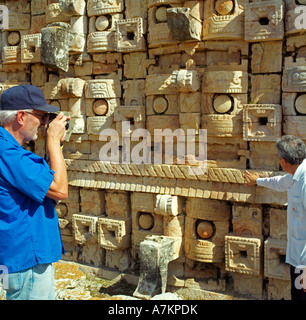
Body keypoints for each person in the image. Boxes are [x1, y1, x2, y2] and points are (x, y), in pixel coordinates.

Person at [0, 84, 69, 300]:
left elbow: (44, 182)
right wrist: (53, 141)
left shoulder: (9, 151)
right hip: (28, 259)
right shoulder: (10, 155)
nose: (45, 124)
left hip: (18, 256)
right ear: (21, 116)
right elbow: (59, 189)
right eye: (41, 116)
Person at [245, 135, 306, 300]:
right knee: (296, 295)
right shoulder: (295, 175)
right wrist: (257, 180)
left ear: (284, 161)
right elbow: (279, 182)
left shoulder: (305, 182)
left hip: (304, 263)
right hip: (297, 257)